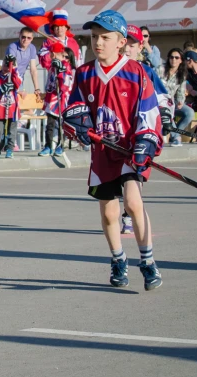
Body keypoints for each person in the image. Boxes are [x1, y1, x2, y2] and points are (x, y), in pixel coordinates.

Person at [63, 10, 163, 291]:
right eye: (95, 37)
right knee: (108, 213)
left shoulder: (136, 72)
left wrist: (145, 142)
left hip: (130, 151)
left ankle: (148, 261)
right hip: (102, 153)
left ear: (120, 42)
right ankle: (118, 260)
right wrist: (77, 126)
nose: (98, 42)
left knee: (132, 202)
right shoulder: (84, 74)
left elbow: (149, 112)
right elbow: (74, 110)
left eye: (105, 37)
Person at [121, 24, 173, 235]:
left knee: (135, 173)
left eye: (132, 44)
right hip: (115, 133)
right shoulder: (110, 70)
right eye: (125, 43)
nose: (127, 49)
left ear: (139, 46)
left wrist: (165, 114)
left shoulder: (146, 70)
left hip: (140, 132)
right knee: (114, 182)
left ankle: (129, 216)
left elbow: (162, 96)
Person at [38, 43, 74, 157]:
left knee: (61, 125)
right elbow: (49, 84)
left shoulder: (66, 66)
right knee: (50, 125)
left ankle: (60, 146)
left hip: (62, 100)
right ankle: (48, 146)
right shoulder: (52, 67)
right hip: (52, 99)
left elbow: (66, 85)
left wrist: (61, 72)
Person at [156, 48, 193, 147]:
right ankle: (176, 137)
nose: (174, 60)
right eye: (171, 57)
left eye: (177, 57)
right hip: (157, 101)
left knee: (189, 112)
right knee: (168, 110)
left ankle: (175, 133)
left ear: (181, 60)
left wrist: (181, 101)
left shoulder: (182, 74)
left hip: (171, 101)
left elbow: (181, 90)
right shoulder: (160, 69)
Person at [0, 54, 22, 159]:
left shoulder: (13, 75)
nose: (6, 67)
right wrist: (1, 90)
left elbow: (18, 82)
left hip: (11, 109)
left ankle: (9, 149)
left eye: (8, 65)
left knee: (12, 130)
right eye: (5, 64)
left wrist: (13, 67)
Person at [6, 27, 41, 100]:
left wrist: (37, 89)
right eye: (23, 37)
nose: (25, 40)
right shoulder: (12, 47)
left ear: (32, 39)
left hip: (20, 78)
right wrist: (18, 90)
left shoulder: (32, 48)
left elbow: (33, 70)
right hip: (7, 78)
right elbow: (13, 67)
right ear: (19, 36)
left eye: (29, 38)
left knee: (24, 103)